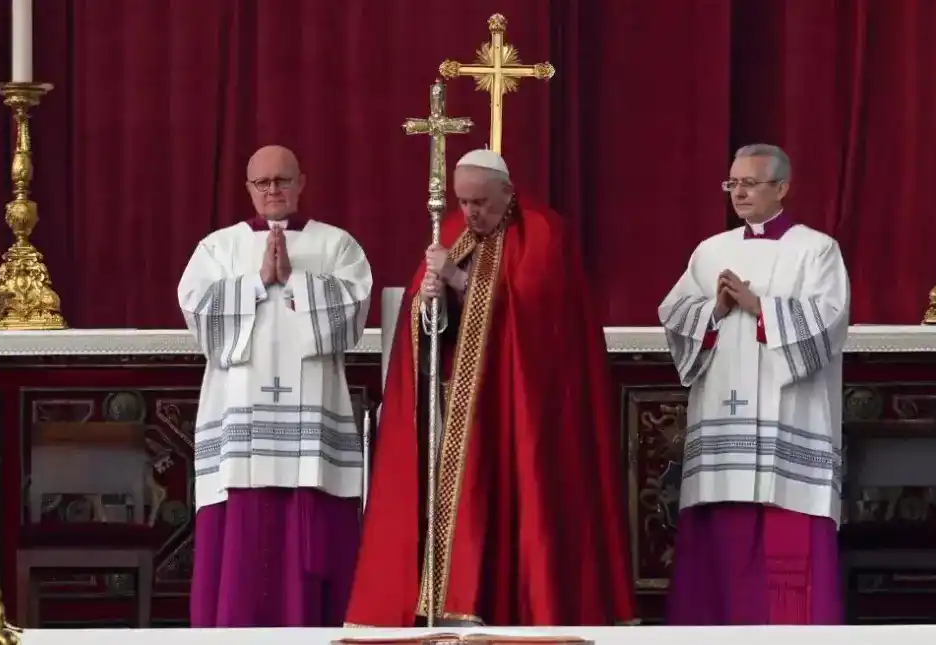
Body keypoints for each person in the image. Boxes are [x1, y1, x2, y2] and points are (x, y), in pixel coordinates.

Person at [346, 149, 636, 627]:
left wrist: (459, 277)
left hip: (521, 407)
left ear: (508, 192)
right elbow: (429, 328)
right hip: (463, 408)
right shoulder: (452, 232)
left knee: (524, 503)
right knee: (467, 501)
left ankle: (530, 608)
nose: (471, 213)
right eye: (463, 202)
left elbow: (535, 313)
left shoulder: (543, 231)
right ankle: (457, 606)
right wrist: (429, 303)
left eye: (480, 202)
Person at [178, 145, 374, 627]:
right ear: (248, 188)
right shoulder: (218, 248)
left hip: (311, 443)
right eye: (262, 182)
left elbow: (352, 312)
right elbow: (198, 311)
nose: (273, 190)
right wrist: (257, 281)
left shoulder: (336, 245)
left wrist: (296, 280)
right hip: (239, 435)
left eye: (282, 180)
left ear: (301, 183)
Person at [658, 143, 849, 625]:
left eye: (749, 183)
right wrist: (715, 310)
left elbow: (828, 323)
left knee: (789, 533)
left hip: (791, 416)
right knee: (722, 537)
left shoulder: (816, 249)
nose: (738, 193)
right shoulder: (710, 251)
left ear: (781, 188)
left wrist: (759, 307)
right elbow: (675, 317)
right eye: (733, 184)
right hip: (722, 416)